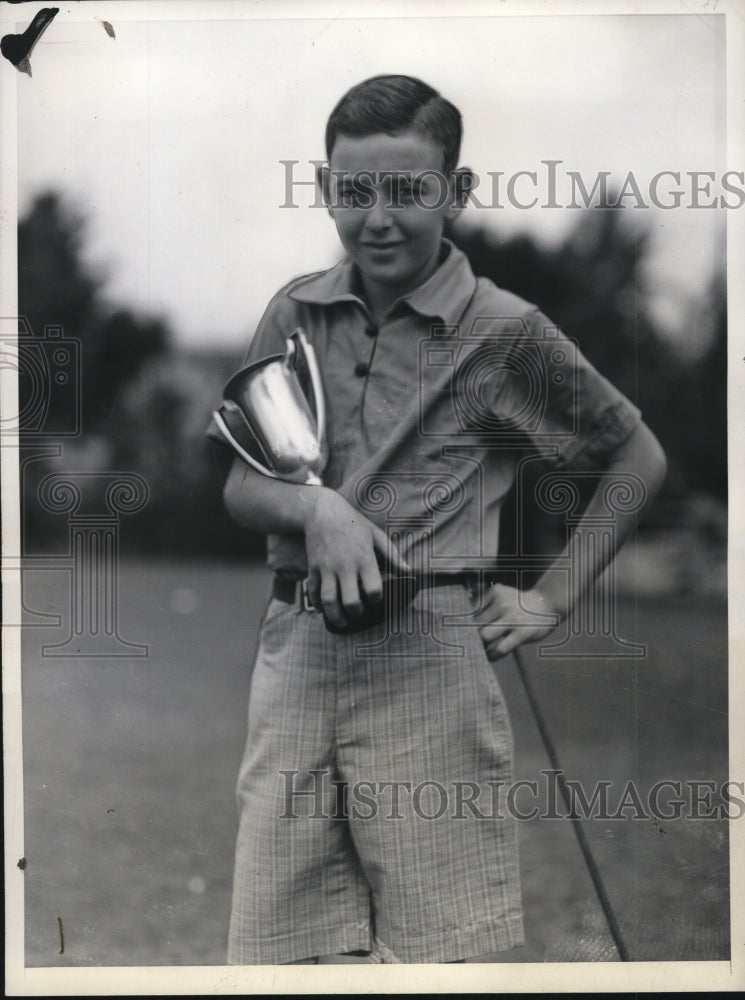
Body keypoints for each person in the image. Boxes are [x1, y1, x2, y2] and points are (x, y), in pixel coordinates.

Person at [212, 74, 667, 965]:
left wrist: (549, 601)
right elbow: (240, 486)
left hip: (430, 664)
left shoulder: (503, 331)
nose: (377, 217)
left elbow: (635, 456)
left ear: (454, 193)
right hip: (296, 655)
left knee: (438, 956)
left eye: (408, 190)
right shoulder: (293, 308)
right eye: (354, 192)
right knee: (280, 952)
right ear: (324, 190)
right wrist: (320, 510)